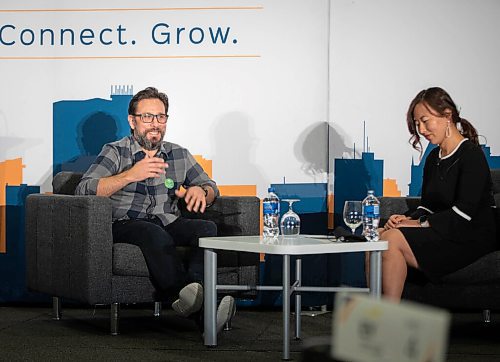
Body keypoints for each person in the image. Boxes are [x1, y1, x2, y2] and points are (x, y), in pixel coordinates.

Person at [75, 86, 235, 333]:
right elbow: (84, 189)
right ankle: (204, 309)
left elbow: (211, 186)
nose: (155, 124)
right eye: (147, 117)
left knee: (206, 228)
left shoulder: (178, 153)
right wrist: (129, 175)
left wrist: (201, 192)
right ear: (132, 121)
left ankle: (196, 301)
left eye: (161, 117)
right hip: (126, 223)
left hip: (168, 220)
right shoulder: (116, 151)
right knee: (152, 233)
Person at [377, 86, 497, 302]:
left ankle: (387, 324)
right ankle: (374, 318)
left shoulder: (471, 155)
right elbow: (428, 205)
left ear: (447, 116)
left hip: (469, 236)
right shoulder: (433, 158)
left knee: (392, 239)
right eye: (416, 124)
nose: (421, 129)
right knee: (378, 237)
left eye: (425, 121)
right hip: (442, 231)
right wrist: (407, 218)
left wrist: (417, 224)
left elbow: (464, 214)